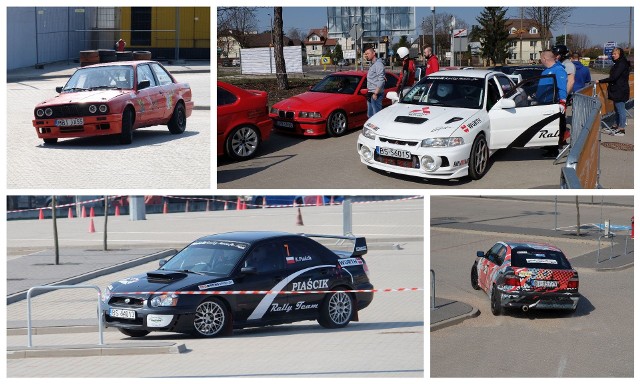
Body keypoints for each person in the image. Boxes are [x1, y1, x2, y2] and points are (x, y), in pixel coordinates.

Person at [537, 49, 567, 157]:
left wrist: (563, 101)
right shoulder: (546, 71)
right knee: (546, 126)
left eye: (541, 58)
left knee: (553, 126)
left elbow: (562, 86)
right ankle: (548, 145)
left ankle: (554, 150)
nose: (540, 60)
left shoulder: (558, 70)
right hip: (544, 103)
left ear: (544, 58)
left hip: (553, 103)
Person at [596, 47, 630, 135]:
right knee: (617, 109)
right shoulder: (618, 63)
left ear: (620, 54)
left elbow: (614, 77)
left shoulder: (622, 64)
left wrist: (600, 81)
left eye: (615, 54)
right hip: (617, 90)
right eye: (612, 54)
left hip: (620, 90)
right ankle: (616, 126)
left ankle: (621, 128)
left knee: (620, 109)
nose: (613, 55)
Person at [364, 47, 386, 117]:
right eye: (365, 54)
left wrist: (375, 93)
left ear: (373, 53)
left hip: (376, 94)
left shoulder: (378, 64)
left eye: (368, 53)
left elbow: (381, 79)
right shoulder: (373, 64)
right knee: (370, 115)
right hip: (371, 93)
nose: (366, 55)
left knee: (376, 116)